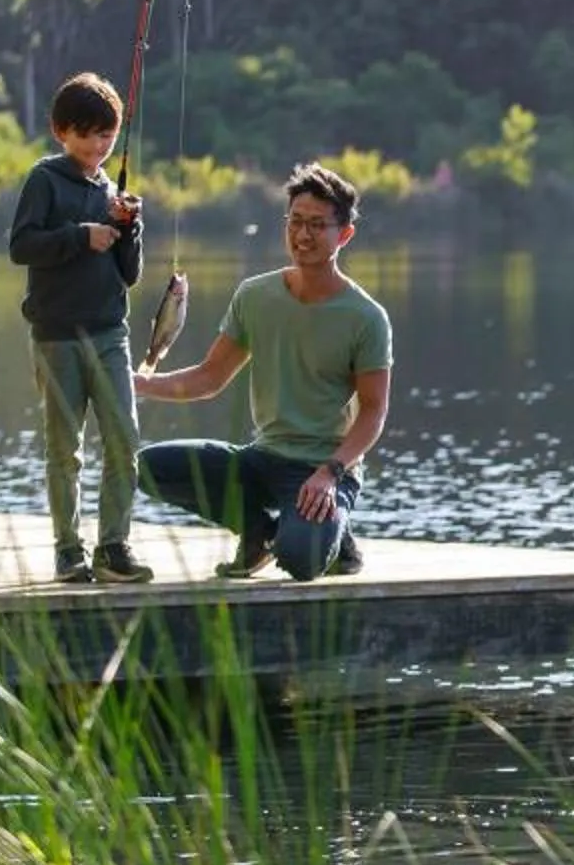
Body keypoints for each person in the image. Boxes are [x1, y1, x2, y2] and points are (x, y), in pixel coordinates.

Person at [133, 162, 387, 581]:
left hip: (323, 468)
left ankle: (334, 541)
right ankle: (257, 535)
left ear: (344, 235)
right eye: (296, 222)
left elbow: (374, 412)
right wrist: (137, 385)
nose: (303, 235)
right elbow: (209, 377)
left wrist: (331, 473)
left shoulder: (366, 318)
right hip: (263, 460)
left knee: (301, 561)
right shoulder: (254, 296)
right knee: (146, 467)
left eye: (317, 225)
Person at [7, 71, 156, 586]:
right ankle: (68, 550)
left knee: (124, 439)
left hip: (110, 332)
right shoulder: (44, 180)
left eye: (107, 135)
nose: (99, 144)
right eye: (89, 133)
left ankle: (113, 546)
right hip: (56, 335)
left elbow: (129, 275)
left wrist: (128, 231)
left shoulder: (113, 192)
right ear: (61, 132)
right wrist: (79, 235)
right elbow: (21, 246)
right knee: (64, 449)